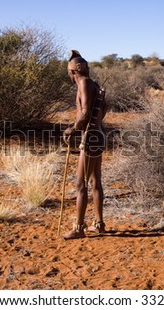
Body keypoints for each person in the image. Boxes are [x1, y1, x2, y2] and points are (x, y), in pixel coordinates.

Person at [62, 50, 107, 239]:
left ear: (72, 72)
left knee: (81, 184)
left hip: (90, 137)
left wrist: (72, 129)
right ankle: (99, 223)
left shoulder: (84, 83)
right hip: (97, 134)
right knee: (95, 181)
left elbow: (86, 111)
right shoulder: (93, 84)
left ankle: (79, 228)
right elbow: (101, 110)